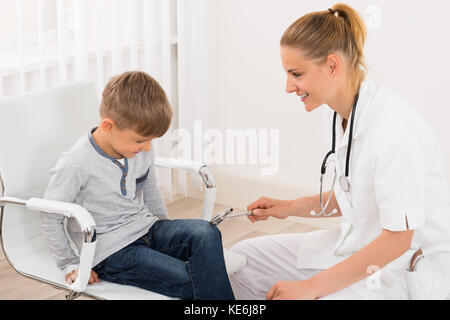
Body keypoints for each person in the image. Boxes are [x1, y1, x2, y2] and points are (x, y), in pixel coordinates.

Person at [229, 3, 450, 300]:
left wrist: (312, 287)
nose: (288, 86)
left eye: (296, 74)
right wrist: (289, 207)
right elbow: (356, 195)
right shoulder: (336, 113)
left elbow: (398, 239)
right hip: (355, 247)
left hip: (401, 266)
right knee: (242, 261)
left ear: (332, 66)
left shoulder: (394, 130)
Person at [40, 71, 234, 300]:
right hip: (112, 252)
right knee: (194, 278)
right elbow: (49, 215)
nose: (148, 148)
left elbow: (150, 192)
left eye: (151, 140)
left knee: (206, 232)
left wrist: (167, 235)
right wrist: (70, 264)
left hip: (147, 228)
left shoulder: (137, 150)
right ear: (108, 126)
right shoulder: (75, 163)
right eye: (141, 140)